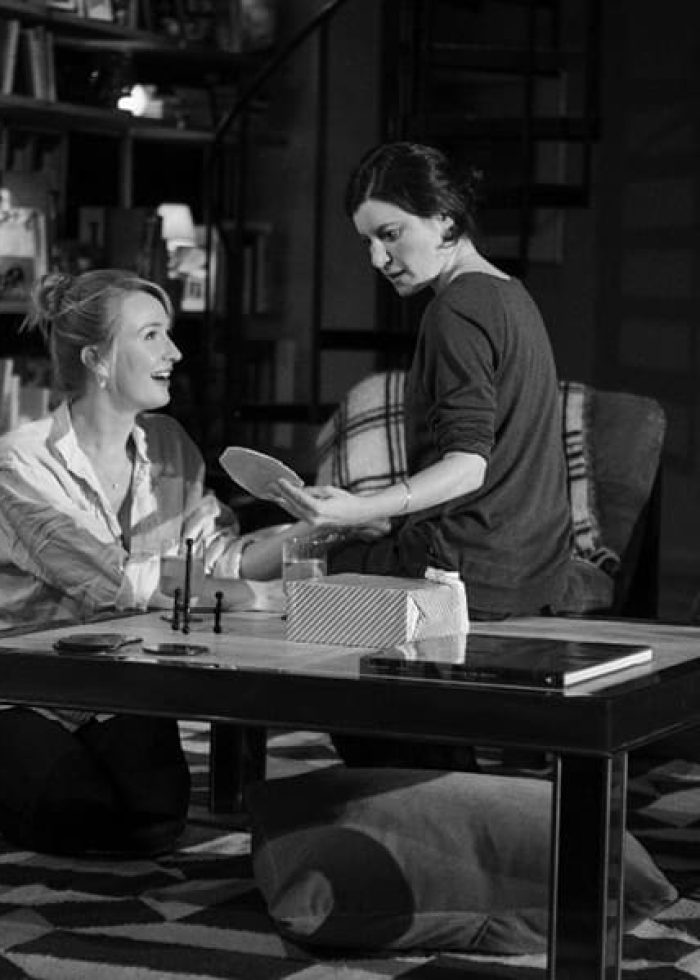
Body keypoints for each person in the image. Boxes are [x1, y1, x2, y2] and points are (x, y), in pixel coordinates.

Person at [275, 141, 579, 770]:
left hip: (470, 570)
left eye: (390, 234)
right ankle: (441, 768)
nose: (377, 258)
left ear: (444, 218)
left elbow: (470, 465)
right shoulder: (511, 294)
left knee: (309, 597)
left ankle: (425, 785)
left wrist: (359, 508)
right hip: (532, 565)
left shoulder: (455, 310)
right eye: (367, 241)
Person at [0, 268, 302, 857]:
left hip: (118, 688)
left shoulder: (168, 444)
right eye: (152, 335)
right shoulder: (20, 464)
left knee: (156, 821)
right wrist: (258, 597)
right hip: (24, 687)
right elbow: (121, 582)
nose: (175, 351)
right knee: (77, 818)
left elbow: (219, 559)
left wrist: (317, 526)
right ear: (98, 360)